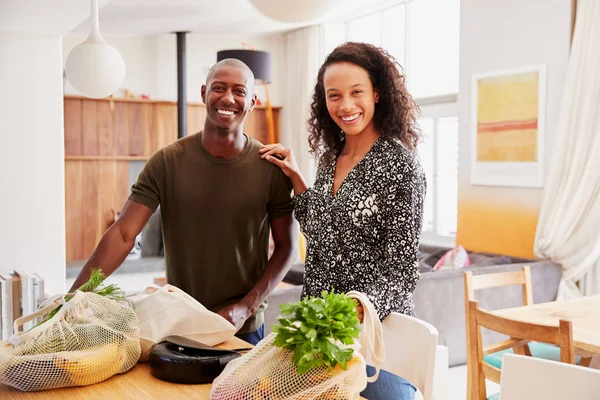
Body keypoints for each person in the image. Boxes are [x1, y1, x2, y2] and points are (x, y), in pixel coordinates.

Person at [70, 59, 296, 345]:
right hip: (180, 320)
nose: (228, 98)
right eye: (219, 88)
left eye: (239, 91)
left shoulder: (271, 168)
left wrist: (245, 308)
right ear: (203, 93)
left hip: (242, 327)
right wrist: (73, 298)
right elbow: (123, 234)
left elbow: (288, 249)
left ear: (252, 101)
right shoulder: (166, 162)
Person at [260, 42, 426, 399]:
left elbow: (401, 273)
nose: (346, 106)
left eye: (356, 92)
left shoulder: (401, 167)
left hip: (374, 339)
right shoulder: (330, 158)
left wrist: (353, 309)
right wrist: (297, 179)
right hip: (317, 329)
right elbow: (322, 234)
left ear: (378, 93)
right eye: (334, 95)